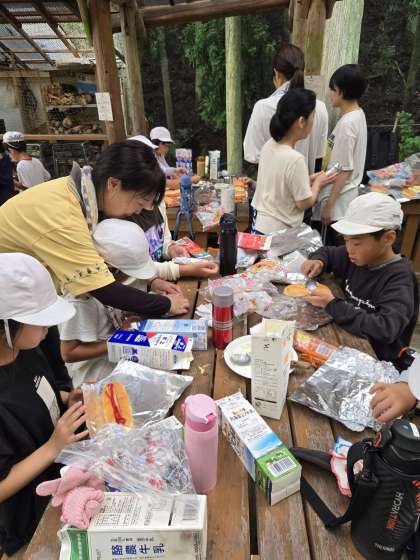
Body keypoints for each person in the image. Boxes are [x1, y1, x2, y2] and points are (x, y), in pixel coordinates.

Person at [0, 140, 190, 320]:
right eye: (139, 203)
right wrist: (166, 304)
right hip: (11, 298)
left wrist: (152, 281)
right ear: (113, 184)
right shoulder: (64, 215)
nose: (138, 211)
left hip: (29, 289)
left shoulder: (79, 194)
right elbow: (103, 289)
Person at [0, 252, 88, 555]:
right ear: (7, 326)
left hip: (64, 473)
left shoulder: (25, 350)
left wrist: (67, 399)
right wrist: (53, 447)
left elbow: (35, 394)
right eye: (39, 323)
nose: (47, 330)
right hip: (30, 514)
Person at [301, 193, 419, 369]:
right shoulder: (357, 256)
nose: (349, 249)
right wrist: (318, 261)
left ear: (388, 238)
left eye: (356, 243)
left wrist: (332, 304)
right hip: (347, 341)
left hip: (377, 362)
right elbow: (327, 252)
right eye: (346, 240)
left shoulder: (399, 279)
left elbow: (385, 329)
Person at [59, 219, 167, 388]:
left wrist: (125, 322)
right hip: (97, 379)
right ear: (111, 268)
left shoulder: (110, 285)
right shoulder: (81, 300)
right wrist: (119, 338)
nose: (130, 279)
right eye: (129, 274)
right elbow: (68, 353)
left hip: (120, 362)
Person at [251, 89, 335, 234]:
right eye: (313, 117)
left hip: (260, 226)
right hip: (280, 234)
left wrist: (306, 180)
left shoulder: (269, 146)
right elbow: (304, 203)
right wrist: (318, 184)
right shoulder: (295, 159)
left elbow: (281, 184)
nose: (313, 122)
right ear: (301, 122)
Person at [244, 44, 328, 174]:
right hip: (308, 184)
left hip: (272, 185)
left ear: (276, 73)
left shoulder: (263, 107)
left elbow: (254, 157)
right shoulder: (320, 108)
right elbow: (318, 159)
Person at [312, 64, 368, 245]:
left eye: (333, 89)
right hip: (342, 201)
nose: (330, 93)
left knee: (329, 252)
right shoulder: (358, 115)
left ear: (342, 92)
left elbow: (345, 169)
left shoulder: (348, 124)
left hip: (338, 205)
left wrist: (329, 206)